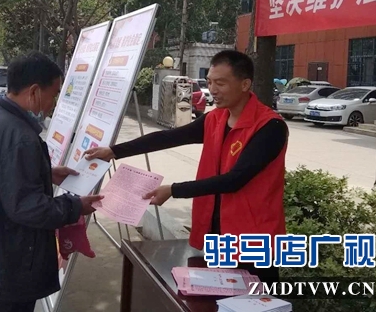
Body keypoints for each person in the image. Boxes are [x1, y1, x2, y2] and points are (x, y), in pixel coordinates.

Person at [84, 50, 288, 282]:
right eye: (210, 82)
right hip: (216, 232)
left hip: (254, 237)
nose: (213, 90)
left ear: (245, 84)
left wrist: (173, 190)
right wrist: (114, 151)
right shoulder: (215, 119)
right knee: (215, 295)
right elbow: (169, 137)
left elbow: (235, 180)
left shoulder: (269, 127)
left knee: (255, 297)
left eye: (221, 83)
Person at [0, 51, 103, 312]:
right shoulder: (18, 137)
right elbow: (28, 207)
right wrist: (76, 206)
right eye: (53, 94)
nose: (53, 103)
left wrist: (44, 172)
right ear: (34, 91)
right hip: (5, 269)